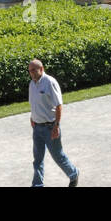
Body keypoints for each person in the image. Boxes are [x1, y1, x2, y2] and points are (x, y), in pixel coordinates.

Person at [27, 59, 79, 187]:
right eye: (30, 71)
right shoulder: (32, 84)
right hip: (37, 128)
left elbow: (59, 105)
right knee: (37, 159)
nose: (32, 73)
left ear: (41, 69)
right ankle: (37, 184)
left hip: (50, 127)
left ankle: (74, 174)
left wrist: (56, 126)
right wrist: (32, 117)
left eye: (34, 70)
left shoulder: (49, 82)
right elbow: (33, 103)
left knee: (58, 156)